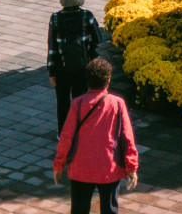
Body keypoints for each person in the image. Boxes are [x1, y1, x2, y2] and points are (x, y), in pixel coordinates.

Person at [52, 57, 137, 214]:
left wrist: (59, 164)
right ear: (108, 80)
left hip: (80, 168)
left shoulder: (77, 103)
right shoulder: (117, 103)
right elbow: (127, 138)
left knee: (79, 209)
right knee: (109, 210)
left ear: (88, 80)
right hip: (109, 168)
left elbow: (66, 137)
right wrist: (131, 167)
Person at [47, 0, 103, 132]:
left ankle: (63, 133)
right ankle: (80, 131)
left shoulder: (55, 18)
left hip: (61, 68)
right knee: (81, 100)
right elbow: (98, 39)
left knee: (63, 102)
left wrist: (51, 71)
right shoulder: (87, 16)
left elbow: (52, 48)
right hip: (82, 66)